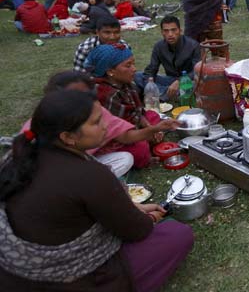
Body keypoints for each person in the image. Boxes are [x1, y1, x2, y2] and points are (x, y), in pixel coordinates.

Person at [0, 90, 193, 291]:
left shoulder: (19, 156)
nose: (106, 126)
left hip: (12, 274)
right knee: (177, 234)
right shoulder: (89, 174)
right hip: (63, 280)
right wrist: (151, 217)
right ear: (67, 137)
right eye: (96, 122)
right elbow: (137, 230)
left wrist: (133, 207)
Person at [22, 71, 179, 174]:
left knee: (126, 158)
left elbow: (125, 136)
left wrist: (155, 128)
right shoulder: (43, 128)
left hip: (84, 163)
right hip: (61, 174)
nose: (104, 125)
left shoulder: (95, 109)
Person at [135, 15, 201, 101]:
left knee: (193, 86)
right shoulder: (159, 47)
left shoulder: (193, 45)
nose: (170, 34)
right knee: (138, 76)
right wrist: (149, 84)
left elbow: (197, 72)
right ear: (162, 32)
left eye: (173, 30)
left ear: (180, 31)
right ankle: (166, 94)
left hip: (187, 82)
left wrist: (179, 81)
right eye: (166, 31)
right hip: (169, 80)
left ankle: (161, 94)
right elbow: (151, 70)